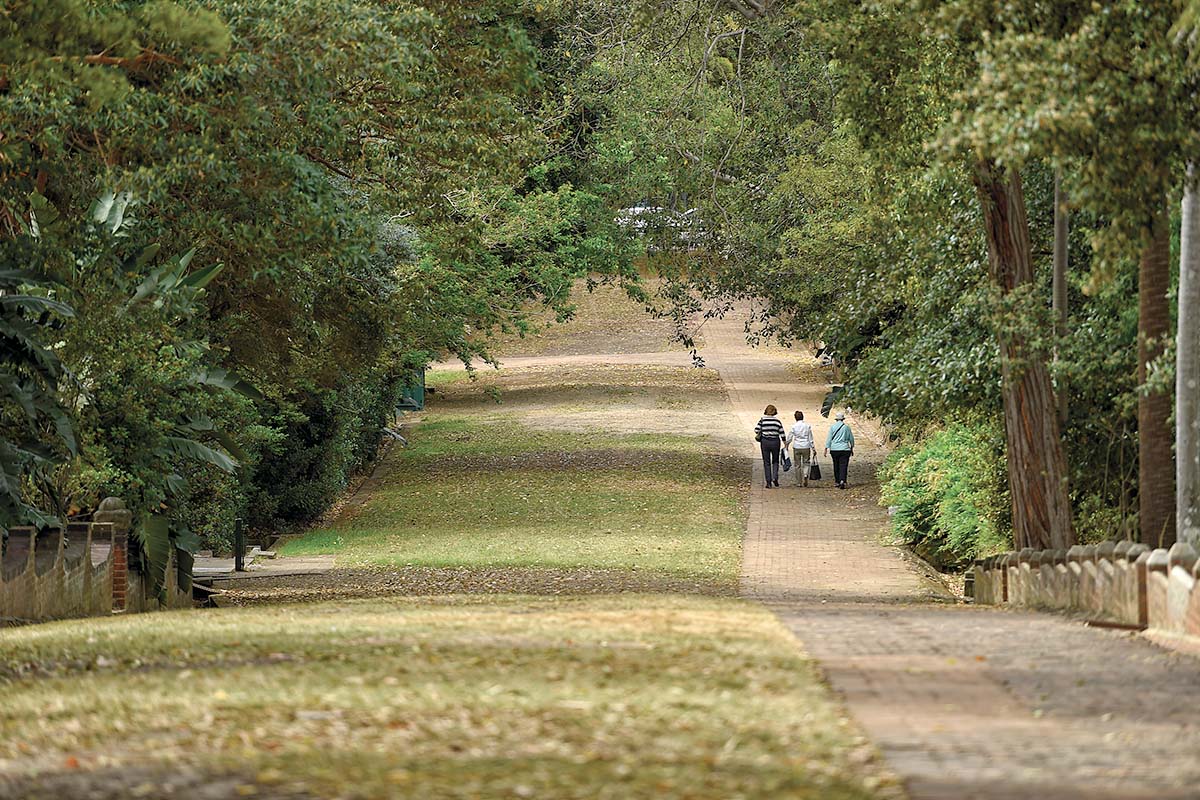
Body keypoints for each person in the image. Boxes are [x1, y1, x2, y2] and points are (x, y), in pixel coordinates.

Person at [754, 404, 786, 488]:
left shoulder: (763, 420)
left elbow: (756, 430)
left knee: (766, 462)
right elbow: (782, 433)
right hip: (775, 442)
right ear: (775, 411)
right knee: (775, 461)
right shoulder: (777, 421)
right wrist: (785, 443)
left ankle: (768, 482)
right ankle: (775, 477)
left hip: (765, 442)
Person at [824, 411, 855, 490]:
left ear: (836, 419)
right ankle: (842, 480)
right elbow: (851, 438)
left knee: (836, 465)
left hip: (834, 449)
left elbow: (829, 438)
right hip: (845, 449)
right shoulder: (847, 428)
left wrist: (826, 448)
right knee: (843, 465)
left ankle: (837, 481)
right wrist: (852, 447)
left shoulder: (832, 427)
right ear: (843, 419)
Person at [786, 410, 815, 487]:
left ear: (795, 418)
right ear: (803, 417)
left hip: (797, 446)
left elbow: (789, 437)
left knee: (797, 465)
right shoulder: (807, 426)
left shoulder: (794, 426)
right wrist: (813, 448)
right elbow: (810, 439)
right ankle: (805, 475)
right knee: (806, 462)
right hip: (806, 446)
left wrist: (786, 445)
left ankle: (799, 482)